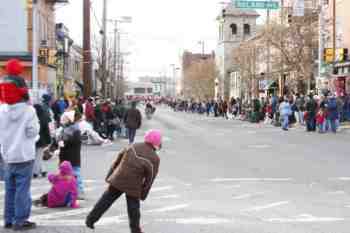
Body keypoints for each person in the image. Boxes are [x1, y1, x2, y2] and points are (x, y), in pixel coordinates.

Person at [85, 130, 162, 233]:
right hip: (134, 184)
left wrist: (111, 175)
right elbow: (150, 178)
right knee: (133, 208)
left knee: (106, 200)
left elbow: (118, 160)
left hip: (119, 177)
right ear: (156, 143)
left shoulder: (132, 146)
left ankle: (90, 220)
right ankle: (135, 230)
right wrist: (143, 194)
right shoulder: (155, 158)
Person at [0, 59, 40, 230]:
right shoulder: (28, 111)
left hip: (8, 155)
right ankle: (20, 220)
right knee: (22, 190)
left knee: (10, 189)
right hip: (24, 154)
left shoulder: (1, 110)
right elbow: (32, 132)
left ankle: (8, 219)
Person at [49, 109, 85, 199]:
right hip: (64, 156)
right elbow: (57, 140)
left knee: (75, 174)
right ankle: (67, 191)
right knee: (64, 175)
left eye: (65, 118)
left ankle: (79, 191)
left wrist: (64, 142)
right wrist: (53, 147)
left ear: (70, 119)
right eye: (63, 118)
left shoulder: (75, 130)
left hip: (73, 156)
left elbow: (76, 141)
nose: (63, 120)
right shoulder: (63, 130)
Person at [33, 100, 52, 178]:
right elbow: (46, 130)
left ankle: (36, 172)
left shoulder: (33, 118)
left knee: (36, 157)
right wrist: (48, 140)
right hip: (42, 140)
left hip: (33, 140)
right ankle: (43, 170)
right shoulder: (43, 118)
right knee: (39, 156)